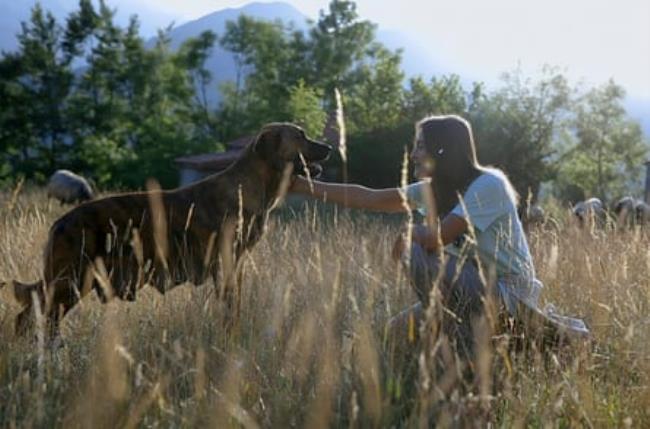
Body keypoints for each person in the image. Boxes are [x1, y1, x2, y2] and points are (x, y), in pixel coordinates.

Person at [290, 115, 585, 353]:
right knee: (391, 336)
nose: (414, 154)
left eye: (420, 146)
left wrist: (410, 232)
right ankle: (503, 338)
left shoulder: (488, 185)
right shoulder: (433, 190)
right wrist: (303, 186)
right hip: (467, 289)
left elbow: (438, 238)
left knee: (415, 250)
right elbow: (370, 198)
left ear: (441, 150)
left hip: (508, 293)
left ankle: (491, 341)